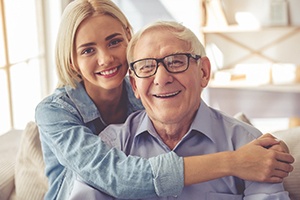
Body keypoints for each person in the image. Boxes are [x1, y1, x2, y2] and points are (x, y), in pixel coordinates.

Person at [35, 0, 294, 199]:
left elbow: (189, 108)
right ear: (72, 60)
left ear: (128, 37)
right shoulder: (57, 113)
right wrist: (233, 161)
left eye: (114, 42)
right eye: (88, 50)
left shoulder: (147, 92)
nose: (105, 58)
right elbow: (116, 176)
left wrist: (253, 142)